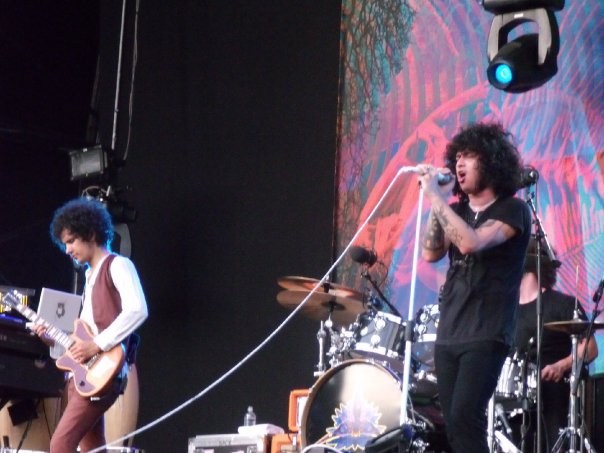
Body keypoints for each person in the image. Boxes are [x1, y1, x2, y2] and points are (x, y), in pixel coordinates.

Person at [419, 122, 531, 452]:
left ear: (491, 162)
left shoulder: (513, 209)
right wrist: (438, 201)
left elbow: (470, 242)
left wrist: (434, 196)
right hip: (450, 332)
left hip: (486, 332)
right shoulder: (455, 211)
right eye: (457, 157)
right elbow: (430, 253)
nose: (459, 164)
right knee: (454, 426)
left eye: (468, 156)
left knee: (467, 417)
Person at [32, 198, 148, 453]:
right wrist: (52, 340)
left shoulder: (118, 265)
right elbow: (82, 340)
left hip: (104, 372)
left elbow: (138, 310)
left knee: (61, 443)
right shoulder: (89, 277)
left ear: (91, 233)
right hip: (85, 375)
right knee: (92, 446)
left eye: (71, 241)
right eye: (64, 243)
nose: (67, 250)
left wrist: (96, 345)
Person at [513, 236, 598, 452]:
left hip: (554, 397)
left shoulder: (563, 304)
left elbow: (590, 347)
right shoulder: (506, 310)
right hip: (514, 399)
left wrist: (562, 365)